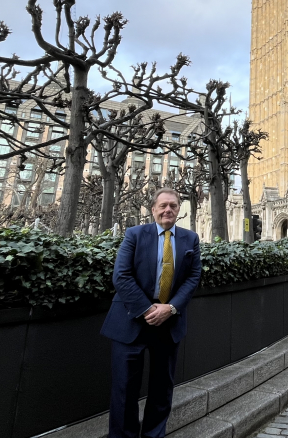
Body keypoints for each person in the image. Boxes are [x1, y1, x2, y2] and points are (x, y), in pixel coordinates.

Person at [100, 188, 202, 438]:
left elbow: (193, 276)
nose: (168, 210)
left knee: (162, 388)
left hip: (169, 321)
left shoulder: (190, 239)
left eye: (173, 206)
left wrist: (171, 307)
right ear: (153, 209)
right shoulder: (134, 234)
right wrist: (147, 309)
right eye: (163, 205)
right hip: (131, 320)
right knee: (124, 390)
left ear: (179, 210)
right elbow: (121, 276)